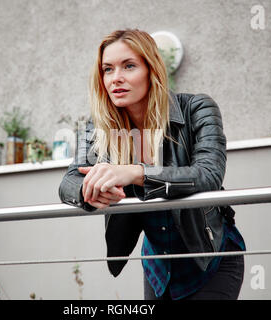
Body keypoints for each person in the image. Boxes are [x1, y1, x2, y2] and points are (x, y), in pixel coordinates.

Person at [58, 29, 245, 300]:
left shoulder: (197, 109)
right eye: (107, 69)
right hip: (158, 269)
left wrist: (135, 172)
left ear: (151, 69)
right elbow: (68, 183)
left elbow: (208, 174)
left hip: (211, 259)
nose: (116, 78)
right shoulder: (99, 127)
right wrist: (92, 190)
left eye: (129, 66)